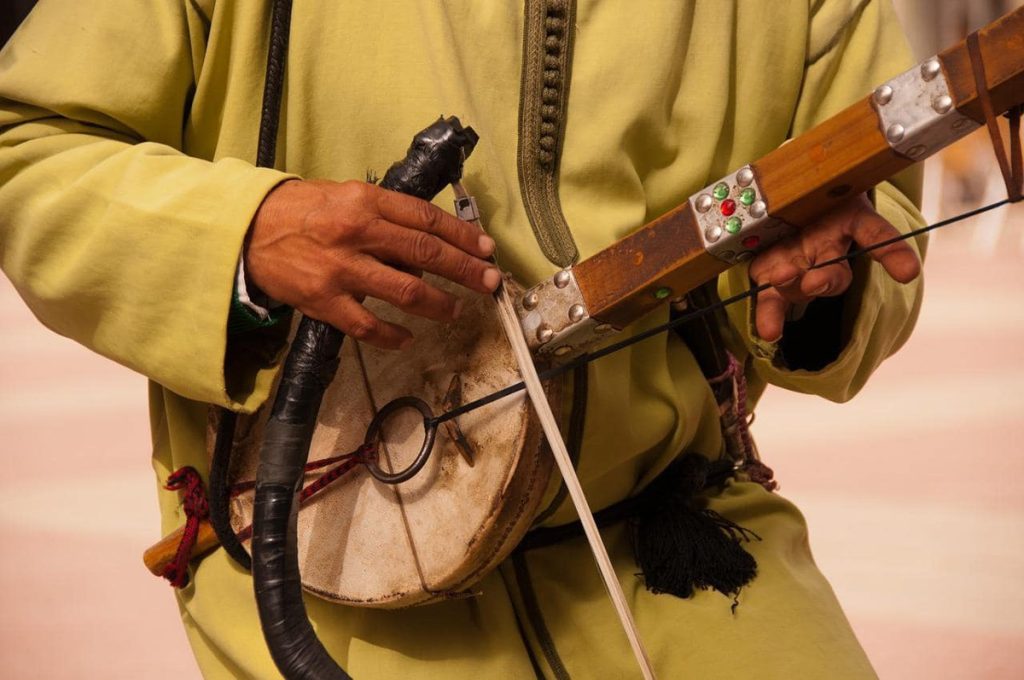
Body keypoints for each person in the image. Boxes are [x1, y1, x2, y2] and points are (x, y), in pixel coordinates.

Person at [0, 1, 925, 677]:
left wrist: (812, 285)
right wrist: (249, 230)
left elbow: (873, 203)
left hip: (689, 555)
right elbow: (25, 149)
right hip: (327, 590)